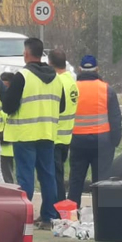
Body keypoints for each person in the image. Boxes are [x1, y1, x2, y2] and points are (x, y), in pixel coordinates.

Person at [3, 38, 66, 226]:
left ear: (27, 53)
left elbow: (8, 106)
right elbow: (61, 106)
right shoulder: (56, 77)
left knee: (25, 177)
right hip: (47, 134)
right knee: (48, 176)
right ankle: (48, 216)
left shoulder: (22, 76)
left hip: (24, 134)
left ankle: (25, 217)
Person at [68, 55, 122, 205]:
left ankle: (73, 215)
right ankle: (101, 215)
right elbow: (115, 118)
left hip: (77, 141)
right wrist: (115, 140)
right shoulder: (106, 89)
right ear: (97, 69)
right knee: (102, 181)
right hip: (102, 141)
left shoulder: (73, 88)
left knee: (76, 180)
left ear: (79, 69)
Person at [49, 48, 78, 202]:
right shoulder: (71, 81)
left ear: (50, 63)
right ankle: (58, 208)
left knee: (54, 178)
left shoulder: (57, 82)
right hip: (66, 137)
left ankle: (56, 209)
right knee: (58, 176)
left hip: (55, 137)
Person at [0, 72, 17, 184]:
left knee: (7, 178)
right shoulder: (0, 103)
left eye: (6, 86)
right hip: (0, 149)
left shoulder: (11, 105)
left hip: (8, 149)